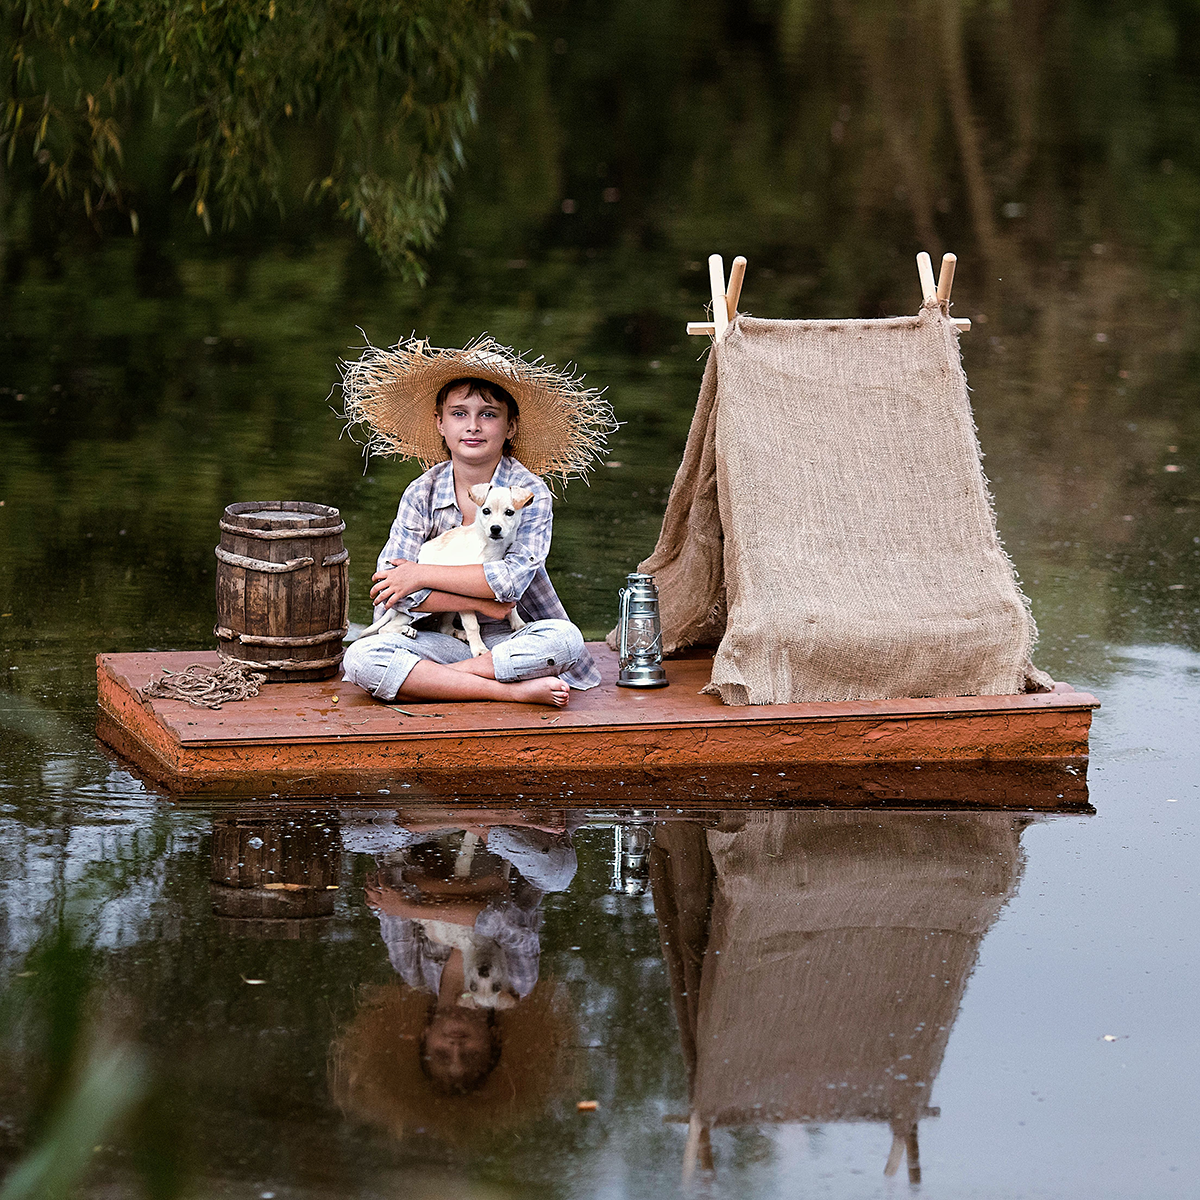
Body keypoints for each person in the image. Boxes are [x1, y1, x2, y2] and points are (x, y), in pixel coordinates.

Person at [339, 338, 615, 708]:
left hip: (509, 642)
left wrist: (421, 575)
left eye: (488, 414)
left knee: (565, 639)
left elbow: (510, 582)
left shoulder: (529, 492)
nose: (472, 426)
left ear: (510, 426)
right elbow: (391, 593)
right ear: (439, 423)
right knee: (361, 657)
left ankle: (435, 682)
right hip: (438, 639)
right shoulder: (422, 492)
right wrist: (480, 604)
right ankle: (504, 690)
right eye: (458, 414)